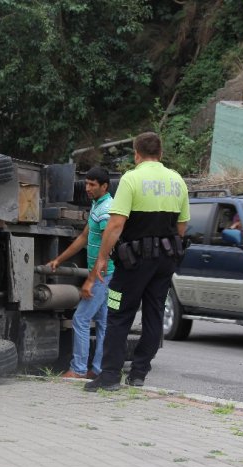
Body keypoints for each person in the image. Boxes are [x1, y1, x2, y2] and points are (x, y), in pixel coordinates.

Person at [83, 132, 190, 392]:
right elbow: (182, 228)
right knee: (154, 316)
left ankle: (109, 376)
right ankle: (139, 373)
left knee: (118, 314)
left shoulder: (131, 179)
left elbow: (116, 224)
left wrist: (101, 259)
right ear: (161, 154)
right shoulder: (178, 181)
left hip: (132, 263)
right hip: (164, 263)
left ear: (136, 154)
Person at [47, 167, 114, 379]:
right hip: (106, 274)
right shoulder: (98, 205)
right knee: (103, 323)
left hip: (103, 275)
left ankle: (78, 369)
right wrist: (59, 259)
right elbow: (83, 238)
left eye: (93, 185)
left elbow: (107, 248)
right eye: (86, 183)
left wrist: (90, 280)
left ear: (105, 186)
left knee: (81, 319)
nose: (87, 188)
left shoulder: (106, 210)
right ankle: (98, 369)